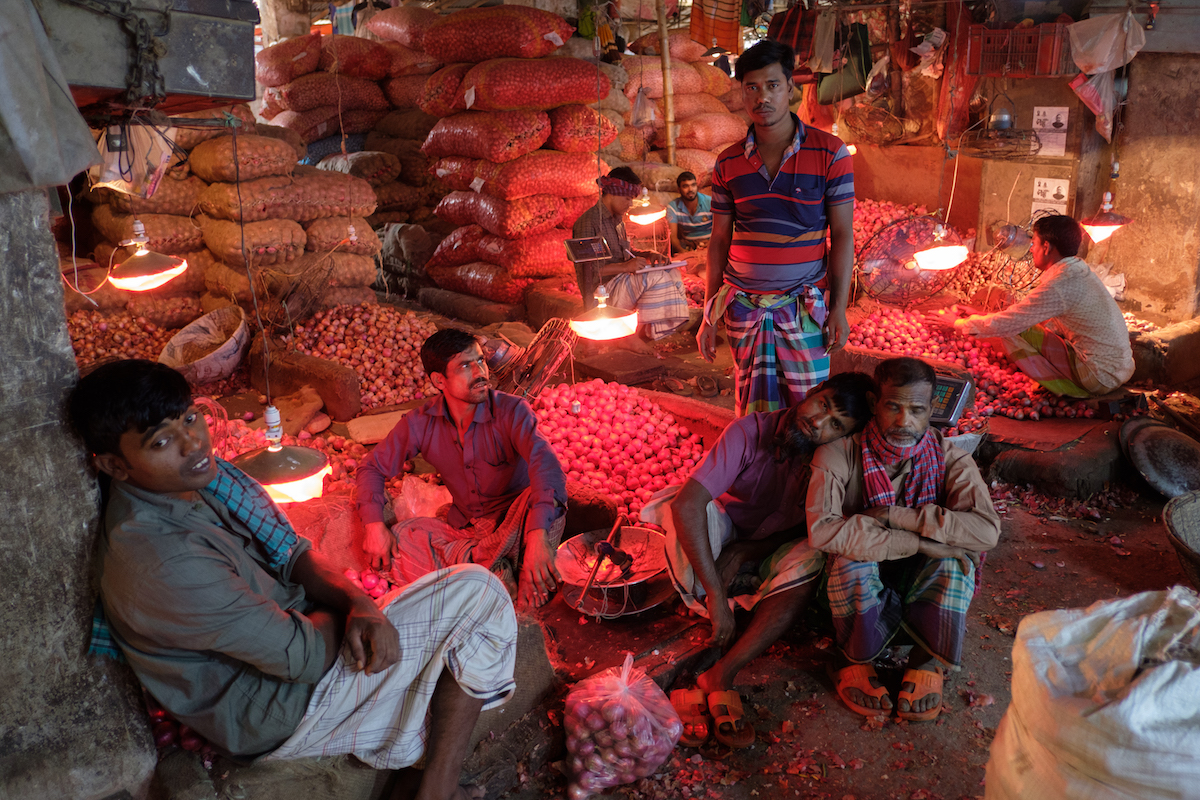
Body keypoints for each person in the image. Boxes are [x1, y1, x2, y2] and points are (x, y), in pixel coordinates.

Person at [67, 360, 516, 800]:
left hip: (299, 641)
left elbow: (290, 551)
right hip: (278, 707)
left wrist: (358, 602)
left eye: (189, 418)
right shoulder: (161, 561)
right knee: (479, 597)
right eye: (162, 440)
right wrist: (346, 607)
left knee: (454, 627)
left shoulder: (197, 480)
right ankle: (436, 791)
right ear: (114, 466)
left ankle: (418, 774)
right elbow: (303, 657)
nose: (192, 442)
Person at [640, 371, 877, 748]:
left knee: (813, 554)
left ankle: (723, 671)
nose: (817, 422)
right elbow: (690, 504)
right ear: (813, 391)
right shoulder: (748, 431)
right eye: (823, 405)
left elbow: (815, 531)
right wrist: (717, 592)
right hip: (726, 530)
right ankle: (721, 600)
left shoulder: (833, 462)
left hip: (768, 550)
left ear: (844, 435)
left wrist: (746, 552)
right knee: (678, 510)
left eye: (835, 424)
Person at [807, 357, 1000, 722]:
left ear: (931, 410)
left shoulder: (950, 459)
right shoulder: (838, 454)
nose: (904, 421)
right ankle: (853, 658)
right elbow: (824, 530)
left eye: (916, 410)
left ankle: (925, 659)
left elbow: (986, 531)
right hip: (853, 581)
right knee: (852, 555)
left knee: (955, 559)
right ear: (873, 404)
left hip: (919, 576)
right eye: (893, 407)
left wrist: (896, 516)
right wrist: (919, 543)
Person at [698, 39, 855, 417]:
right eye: (751, 87)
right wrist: (708, 313)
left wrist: (839, 308)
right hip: (743, 310)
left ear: (790, 88)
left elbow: (843, 235)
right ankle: (759, 477)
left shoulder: (831, 153)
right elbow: (719, 239)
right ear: (742, 92)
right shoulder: (728, 162)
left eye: (772, 86)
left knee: (812, 413)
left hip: (803, 310)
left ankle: (805, 477)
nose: (761, 97)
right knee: (754, 416)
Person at [357, 328, 568, 611]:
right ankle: (492, 572)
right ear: (439, 380)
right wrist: (374, 527)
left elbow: (547, 467)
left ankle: (488, 573)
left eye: (480, 361)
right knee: (404, 537)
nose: (480, 372)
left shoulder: (512, 411)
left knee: (548, 506)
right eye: (465, 366)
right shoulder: (421, 422)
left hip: (517, 525)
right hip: (468, 531)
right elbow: (371, 468)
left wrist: (537, 539)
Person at [929, 214, 1134, 398]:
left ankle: (1067, 390)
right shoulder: (1077, 270)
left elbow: (1012, 322)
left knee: (1013, 330)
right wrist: (981, 314)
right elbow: (1034, 312)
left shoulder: (1060, 284)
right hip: (1119, 369)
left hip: (1099, 376)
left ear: (1046, 247)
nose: (1031, 249)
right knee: (1021, 325)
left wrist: (959, 323)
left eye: (1034, 243)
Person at [572, 166, 690, 350]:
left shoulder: (617, 221)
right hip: (602, 292)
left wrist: (649, 255)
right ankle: (630, 335)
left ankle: (647, 330)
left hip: (621, 281)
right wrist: (626, 267)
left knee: (673, 272)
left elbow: (625, 253)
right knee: (654, 277)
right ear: (612, 194)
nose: (630, 204)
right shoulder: (589, 222)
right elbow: (592, 268)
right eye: (627, 198)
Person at [667, 171, 713, 255]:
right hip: (689, 246)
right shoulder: (673, 207)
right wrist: (683, 252)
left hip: (711, 244)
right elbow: (672, 236)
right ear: (679, 190)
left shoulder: (710, 202)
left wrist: (711, 243)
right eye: (685, 186)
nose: (690, 189)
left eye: (693, 185)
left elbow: (721, 231)